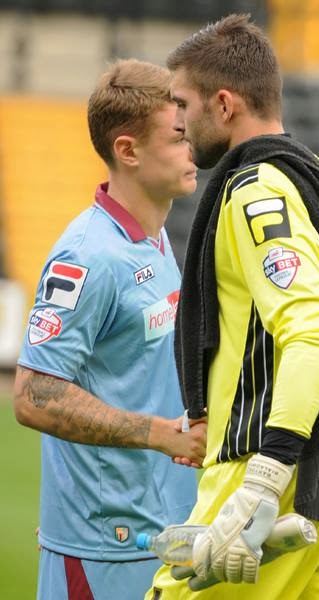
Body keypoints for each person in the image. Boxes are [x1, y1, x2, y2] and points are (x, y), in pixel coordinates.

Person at [146, 13, 319, 600]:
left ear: (224, 104)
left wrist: (265, 477)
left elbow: (314, 337)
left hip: (265, 474)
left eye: (183, 104)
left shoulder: (256, 190)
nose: (178, 123)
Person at [13, 58, 207, 600]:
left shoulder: (155, 237)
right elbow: (32, 395)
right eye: (178, 136)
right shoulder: (86, 257)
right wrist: (158, 433)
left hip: (162, 535)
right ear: (128, 150)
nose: (192, 148)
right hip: (105, 549)